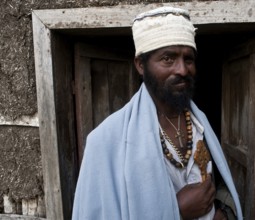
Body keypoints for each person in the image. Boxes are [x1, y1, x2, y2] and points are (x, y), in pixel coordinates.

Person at [72, 6, 243, 220]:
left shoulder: (202, 123)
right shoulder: (105, 141)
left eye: (188, 59)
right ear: (141, 65)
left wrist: (222, 213)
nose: (182, 69)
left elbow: (218, 182)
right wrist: (177, 211)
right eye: (168, 59)